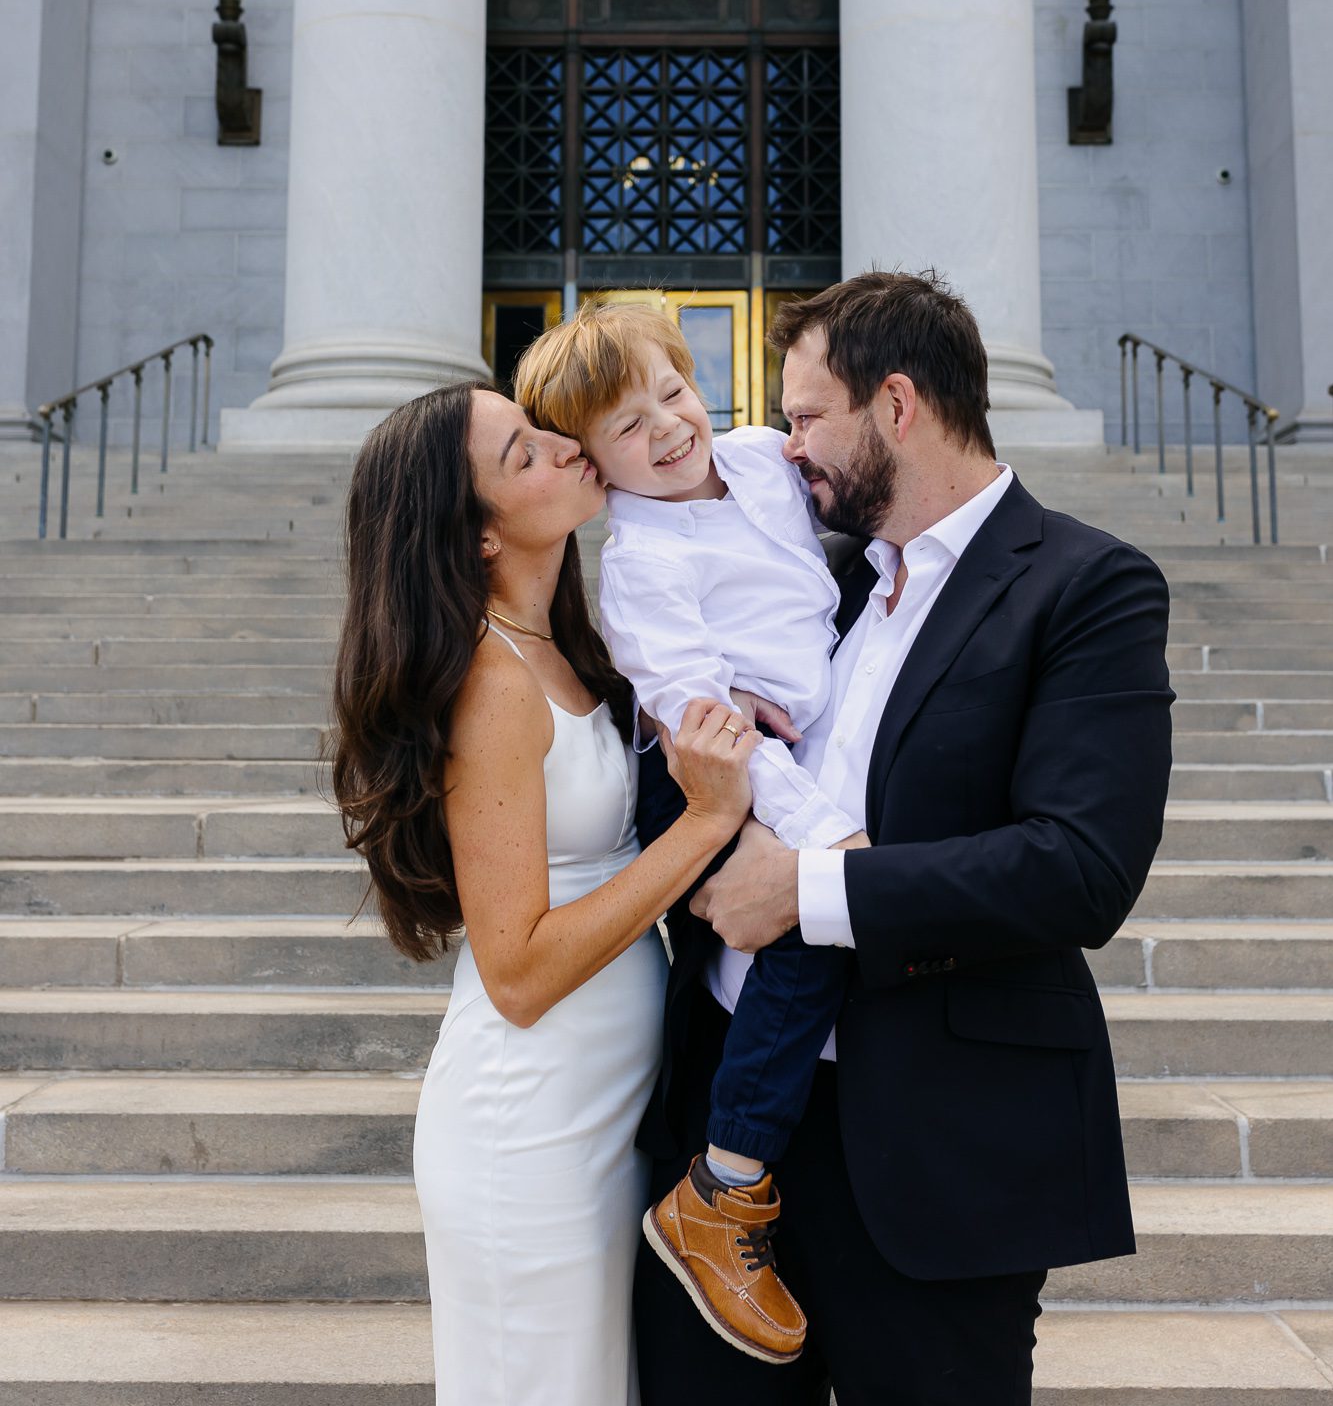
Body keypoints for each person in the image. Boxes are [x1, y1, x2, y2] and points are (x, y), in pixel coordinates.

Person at [632, 270, 1175, 1406]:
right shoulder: (809, 578)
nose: (786, 450)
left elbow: (1079, 867)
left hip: (937, 1138)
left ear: (895, 404)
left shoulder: (1086, 586)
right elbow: (687, 768)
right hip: (727, 1135)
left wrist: (809, 893)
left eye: (804, 416)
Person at [325, 381, 761, 1406]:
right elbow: (516, 970)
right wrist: (704, 824)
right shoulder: (493, 683)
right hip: (529, 1126)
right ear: (476, 535)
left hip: (606, 1111)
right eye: (523, 454)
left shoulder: (563, 647)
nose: (567, 449)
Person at [514, 304, 869, 1368]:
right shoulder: (641, 569)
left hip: (789, 752)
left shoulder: (761, 458)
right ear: (594, 461)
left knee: (811, 931)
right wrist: (824, 836)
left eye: (672, 391)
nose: (668, 427)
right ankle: (722, 1182)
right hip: (706, 773)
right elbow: (704, 733)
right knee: (808, 926)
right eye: (628, 426)